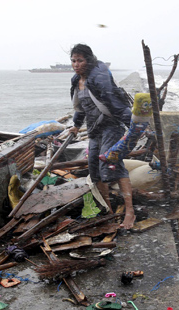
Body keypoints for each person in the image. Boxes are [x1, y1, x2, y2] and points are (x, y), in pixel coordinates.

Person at [69, 44, 136, 229]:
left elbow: (115, 104)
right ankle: (108, 210)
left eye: (80, 60)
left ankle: (130, 212)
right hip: (94, 129)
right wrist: (75, 126)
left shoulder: (98, 79)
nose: (76, 64)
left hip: (111, 126)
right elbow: (81, 107)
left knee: (111, 162)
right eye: (73, 60)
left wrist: (134, 126)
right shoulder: (77, 80)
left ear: (88, 60)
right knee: (94, 168)